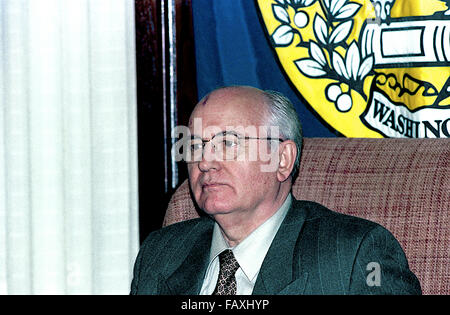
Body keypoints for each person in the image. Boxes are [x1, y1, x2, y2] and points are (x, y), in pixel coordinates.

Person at [130, 86, 421, 295]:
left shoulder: (357, 255)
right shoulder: (160, 254)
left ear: (282, 160)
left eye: (228, 142)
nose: (205, 161)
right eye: (195, 146)